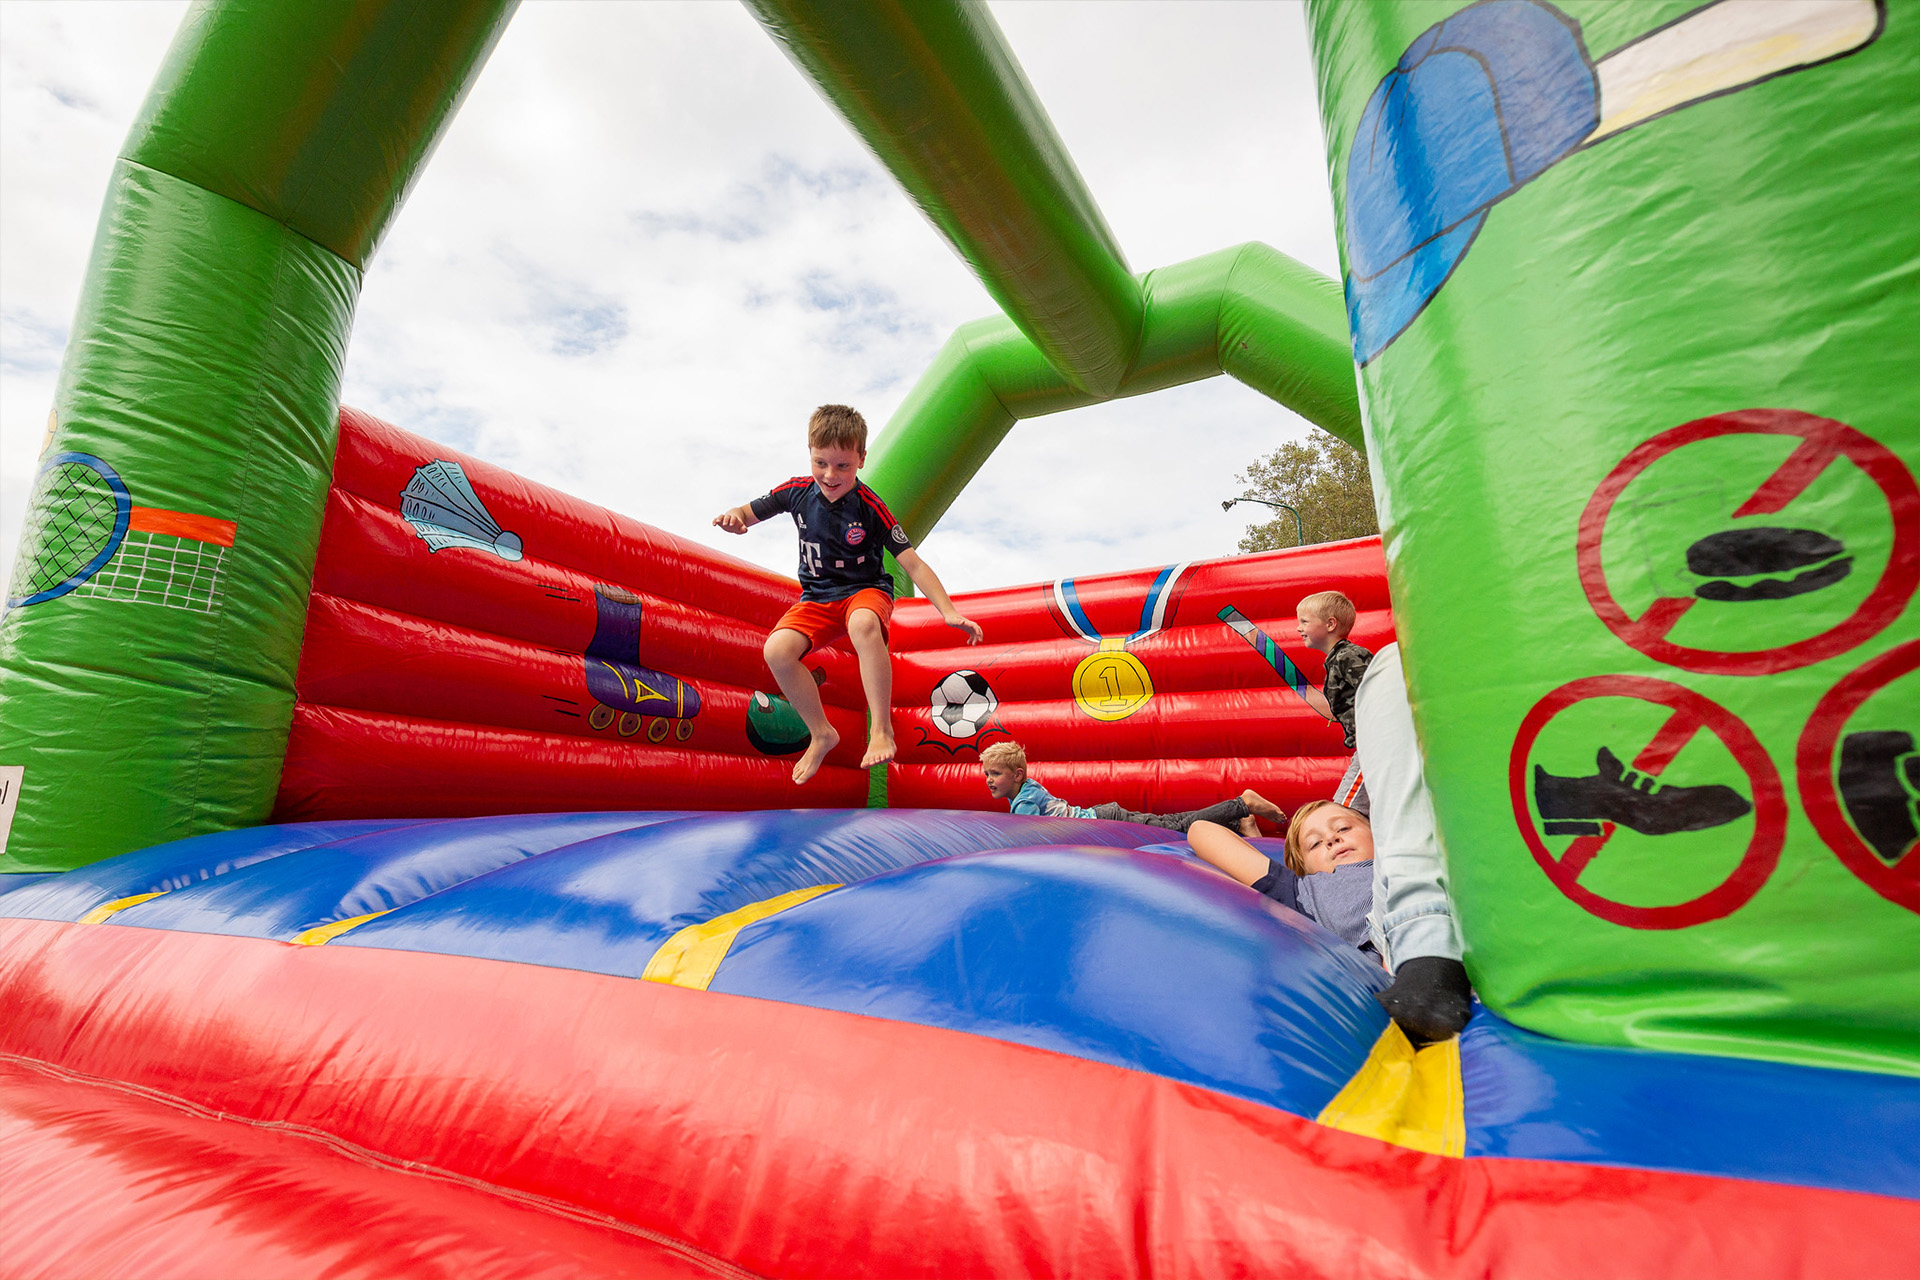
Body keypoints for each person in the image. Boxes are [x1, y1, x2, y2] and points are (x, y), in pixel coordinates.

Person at [715, 404, 982, 783]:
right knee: (776, 651)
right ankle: (821, 732)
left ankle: (880, 729)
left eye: (842, 465)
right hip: (817, 598)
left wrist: (948, 611)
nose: (830, 474)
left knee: (862, 624)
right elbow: (746, 511)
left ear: (861, 459)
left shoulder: (870, 507)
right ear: (809, 451)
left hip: (865, 591)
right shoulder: (796, 492)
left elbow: (914, 565)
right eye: (821, 462)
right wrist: (735, 519)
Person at [981, 741, 1286, 837]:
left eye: (996, 773)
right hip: (1105, 816)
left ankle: (1242, 804)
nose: (989, 780)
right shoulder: (1029, 787)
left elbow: (1025, 834)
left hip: (1106, 821)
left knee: (1176, 826)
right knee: (1171, 825)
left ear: (1018, 774)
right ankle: (1237, 822)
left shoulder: (1025, 800)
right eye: (986, 774)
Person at [1187, 801, 1376, 953]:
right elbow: (1201, 831)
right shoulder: (1305, 891)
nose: (1331, 839)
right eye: (1315, 843)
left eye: (1343, 828)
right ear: (1304, 869)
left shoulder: (1399, 853)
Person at [1296, 589, 1374, 816]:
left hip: (1374, 745)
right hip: (1369, 744)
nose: (1298, 628)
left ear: (1330, 624)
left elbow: (1377, 692)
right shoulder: (1337, 660)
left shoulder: (1348, 656)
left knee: (1343, 812)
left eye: (1304, 621)